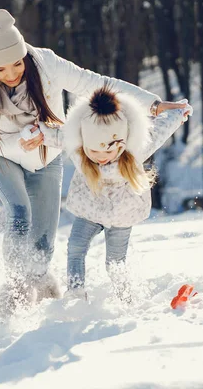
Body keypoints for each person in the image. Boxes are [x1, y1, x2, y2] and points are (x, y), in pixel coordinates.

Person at [0, 8, 186, 313]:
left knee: (44, 234)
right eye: (1, 70)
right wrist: (23, 139)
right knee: (19, 212)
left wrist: (154, 105)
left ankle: (40, 284)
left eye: (17, 64)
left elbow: (96, 83)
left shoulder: (46, 64)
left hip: (46, 152)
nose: (12, 74)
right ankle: (16, 288)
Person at [61, 85, 192, 302]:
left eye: (109, 150)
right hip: (90, 209)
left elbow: (160, 130)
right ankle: (75, 293)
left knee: (115, 262)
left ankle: (125, 298)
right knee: (75, 246)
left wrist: (178, 113)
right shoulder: (79, 151)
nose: (101, 157)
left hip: (122, 214)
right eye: (94, 151)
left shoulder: (135, 150)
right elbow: (57, 135)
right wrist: (37, 132)